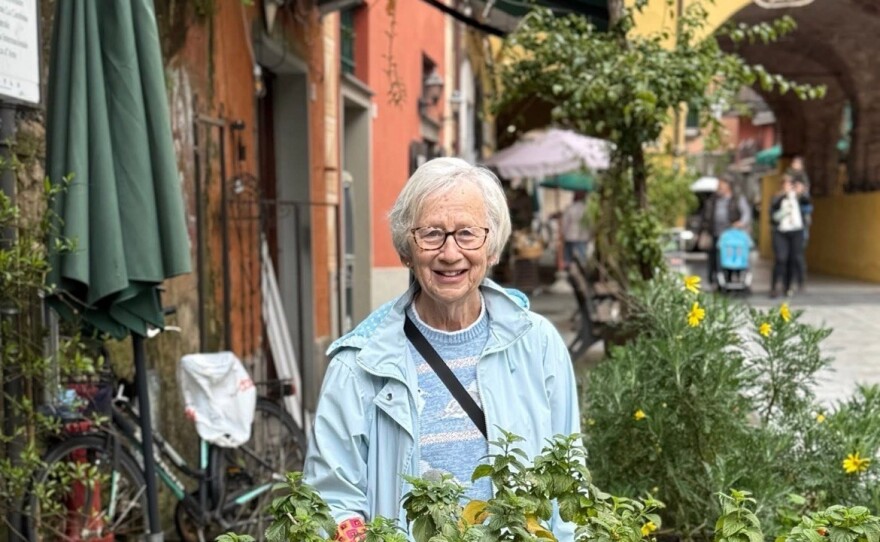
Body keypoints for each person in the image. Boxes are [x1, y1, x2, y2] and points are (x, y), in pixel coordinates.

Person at [303, 157, 580, 541]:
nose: (450, 254)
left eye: (467, 233)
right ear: (406, 250)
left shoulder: (538, 345)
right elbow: (331, 502)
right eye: (432, 234)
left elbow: (568, 480)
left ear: (492, 247)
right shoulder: (358, 367)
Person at [700, 177, 752, 288]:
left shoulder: (737, 199)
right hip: (716, 233)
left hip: (732, 235)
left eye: (721, 185)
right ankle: (716, 281)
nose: (718, 188)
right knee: (715, 258)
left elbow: (746, 213)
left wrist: (740, 223)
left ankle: (732, 279)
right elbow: (706, 214)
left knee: (731, 257)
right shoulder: (713, 199)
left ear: (728, 186)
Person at [770, 175, 810, 297]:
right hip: (781, 231)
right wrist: (784, 194)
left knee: (793, 259)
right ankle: (775, 285)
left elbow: (808, 204)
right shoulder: (778, 197)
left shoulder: (798, 198)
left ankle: (787, 286)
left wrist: (802, 192)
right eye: (786, 184)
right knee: (781, 258)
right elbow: (773, 209)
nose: (789, 187)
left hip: (796, 231)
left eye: (791, 184)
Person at [560, 190, 590, 266]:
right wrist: (590, 236)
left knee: (567, 259)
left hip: (570, 237)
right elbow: (590, 224)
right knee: (582, 258)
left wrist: (563, 234)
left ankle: (568, 271)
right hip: (583, 237)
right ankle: (582, 272)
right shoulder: (587, 209)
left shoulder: (570, 208)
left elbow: (564, 223)